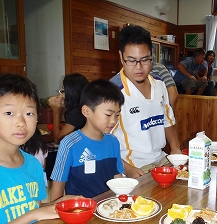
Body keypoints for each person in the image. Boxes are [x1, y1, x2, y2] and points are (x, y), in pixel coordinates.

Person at [111, 25, 181, 178]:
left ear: (152, 55)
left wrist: (175, 149)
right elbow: (100, 139)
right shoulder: (112, 93)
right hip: (134, 167)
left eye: (145, 60)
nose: (139, 67)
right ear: (121, 56)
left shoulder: (160, 84)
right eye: (131, 60)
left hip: (162, 160)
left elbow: (167, 121)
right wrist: (126, 168)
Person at [0, 73, 59, 224]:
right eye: (9, 113)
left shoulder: (33, 164)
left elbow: (35, 209)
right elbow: (32, 215)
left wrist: (58, 203)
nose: (21, 122)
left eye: (29, 113)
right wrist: (33, 215)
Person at [50, 79, 125, 201]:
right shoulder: (69, 144)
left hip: (109, 207)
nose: (113, 121)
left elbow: (117, 176)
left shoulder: (113, 141)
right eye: (108, 114)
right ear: (86, 111)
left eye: (117, 115)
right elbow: (58, 188)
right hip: (82, 211)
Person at [48, 73, 89, 143]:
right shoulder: (86, 107)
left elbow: (59, 140)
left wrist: (56, 112)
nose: (61, 96)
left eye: (63, 91)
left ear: (72, 93)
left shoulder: (76, 113)